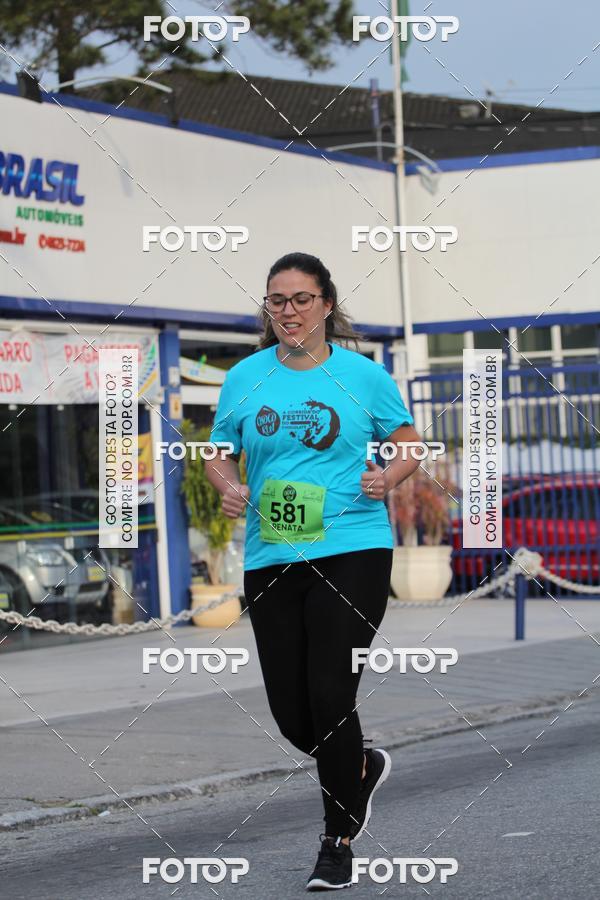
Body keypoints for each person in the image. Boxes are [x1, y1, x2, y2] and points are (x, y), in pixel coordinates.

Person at [205, 252, 422, 891]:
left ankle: (336, 841)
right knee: (294, 717)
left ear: (326, 303)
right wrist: (226, 483)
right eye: (277, 301)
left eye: (301, 299)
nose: (289, 311)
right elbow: (219, 451)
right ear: (266, 310)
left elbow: (408, 442)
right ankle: (360, 765)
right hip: (273, 555)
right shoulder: (243, 378)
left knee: (331, 697)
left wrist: (390, 474)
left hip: (352, 549)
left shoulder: (363, 375)